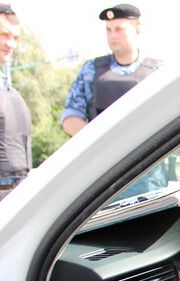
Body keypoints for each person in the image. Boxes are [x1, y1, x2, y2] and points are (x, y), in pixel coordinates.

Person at [60, 4, 165, 196]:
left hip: (148, 175)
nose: (112, 35)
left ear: (137, 30)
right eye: (108, 30)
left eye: (119, 29)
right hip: (104, 177)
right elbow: (69, 119)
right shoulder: (91, 70)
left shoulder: (157, 71)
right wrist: (101, 144)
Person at [0, 3, 30, 204]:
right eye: (4, 35)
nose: (11, 44)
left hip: (12, 199)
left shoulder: (5, 85)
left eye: (15, 38)